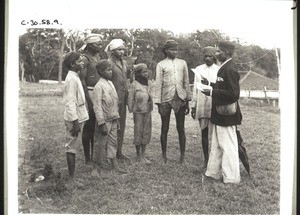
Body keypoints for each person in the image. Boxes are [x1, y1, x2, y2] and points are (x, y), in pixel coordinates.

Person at [201, 41, 242, 184]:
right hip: (220, 113)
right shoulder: (224, 67)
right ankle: (213, 173)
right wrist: (209, 84)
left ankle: (231, 178)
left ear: (226, 52)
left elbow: (233, 94)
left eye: (218, 51)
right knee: (217, 144)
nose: (216, 54)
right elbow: (222, 87)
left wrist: (212, 91)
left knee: (228, 146)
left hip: (227, 115)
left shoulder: (230, 69)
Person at [154, 39, 191, 164]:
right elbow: (158, 84)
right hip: (165, 99)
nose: (174, 52)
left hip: (180, 98)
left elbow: (186, 82)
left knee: (181, 128)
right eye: (172, 49)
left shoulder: (182, 63)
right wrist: (158, 104)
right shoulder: (161, 65)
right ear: (166, 50)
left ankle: (182, 156)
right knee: (165, 128)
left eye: (176, 49)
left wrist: (188, 100)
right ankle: (164, 155)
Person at [92, 59, 128, 176]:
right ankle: (95, 168)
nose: (111, 72)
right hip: (104, 121)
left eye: (111, 69)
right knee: (100, 143)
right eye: (108, 70)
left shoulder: (111, 84)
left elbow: (115, 101)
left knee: (113, 142)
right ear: (101, 72)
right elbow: (97, 106)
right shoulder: (98, 86)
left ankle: (113, 163)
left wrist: (116, 118)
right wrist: (101, 123)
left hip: (113, 118)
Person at [62, 52, 89, 186]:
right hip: (74, 118)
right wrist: (75, 121)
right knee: (71, 147)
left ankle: (73, 177)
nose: (82, 62)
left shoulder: (75, 76)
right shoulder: (71, 79)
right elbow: (70, 101)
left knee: (74, 147)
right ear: (72, 64)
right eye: (79, 61)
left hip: (78, 116)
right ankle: (72, 179)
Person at [191, 46, 220, 168]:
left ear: (214, 57)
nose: (208, 58)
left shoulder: (219, 70)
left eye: (210, 56)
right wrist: (194, 105)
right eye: (206, 56)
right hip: (202, 104)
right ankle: (206, 159)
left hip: (214, 104)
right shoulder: (198, 69)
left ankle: (215, 161)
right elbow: (195, 89)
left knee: (215, 134)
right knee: (204, 132)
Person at [105, 39, 133, 160]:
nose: (122, 52)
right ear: (112, 50)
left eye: (123, 49)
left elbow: (126, 78)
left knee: (121, 125)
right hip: (112, 99)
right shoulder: (108, 63)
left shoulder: (124, 63)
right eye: (119, 49)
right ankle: (109, 154)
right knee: (111, 127)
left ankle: (119, 152)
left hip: (123, 98)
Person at [79, 34, 102, 165]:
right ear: (90, 45)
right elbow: (81, 79)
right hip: (89, 91)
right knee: (88, 126)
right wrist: (88, 99)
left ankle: (94, 155)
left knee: (96, 125)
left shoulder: (96, 57)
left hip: (98, 91)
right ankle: (88, 158)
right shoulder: (85, 59)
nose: (100, 46)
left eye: (100, 44)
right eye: (97, 44)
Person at [128, 63, 153, 164]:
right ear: (138, 73)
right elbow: (130, 98)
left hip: (147, 110)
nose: (146, 74)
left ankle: (143, 154)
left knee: (146, 131)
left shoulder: (149, 83)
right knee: (138, 131)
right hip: (138, 111)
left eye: (147, 72)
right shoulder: (134, 84)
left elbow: (150, 95)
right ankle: (138, 155)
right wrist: (131, 109)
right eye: (143, 72)